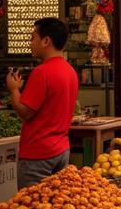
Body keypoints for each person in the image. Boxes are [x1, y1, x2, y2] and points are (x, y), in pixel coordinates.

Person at [6, 18, 79, 190]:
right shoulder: (70, 71)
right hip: (61, 150)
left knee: (32, 208)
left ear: (46, 41)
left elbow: (26, 112)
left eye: (33, 38)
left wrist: (14, 89)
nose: (30, 43)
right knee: (54, 206)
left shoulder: (42, 72)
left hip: (38, 153)